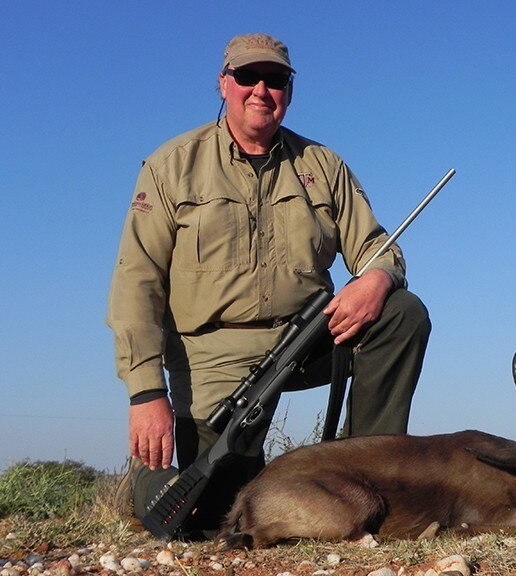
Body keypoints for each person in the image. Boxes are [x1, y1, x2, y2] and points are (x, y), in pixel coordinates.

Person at [108, 33, 431, 534]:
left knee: (401, 313)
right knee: (207, 515)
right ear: (223, 84)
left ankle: (369, 477)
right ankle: (152, 477)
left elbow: (377, 247)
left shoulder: (323, 165)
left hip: (306, 336)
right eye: (247, 77)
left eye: (276, 79)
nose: (261, 89)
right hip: (214, 356)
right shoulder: (170, 165)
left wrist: (377, 279)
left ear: (289, 90)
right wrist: (146, 394)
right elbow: (137, 281)